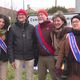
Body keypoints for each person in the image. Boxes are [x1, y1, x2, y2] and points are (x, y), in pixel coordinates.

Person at [8, 9, 37, 80]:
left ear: (26, 16)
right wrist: (11, 60)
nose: (21, 16)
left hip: (30, 57)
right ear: (17, 16)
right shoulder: (12, 28)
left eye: (22, 15)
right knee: (17, 77)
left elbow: (35, 43)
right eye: (19, 15)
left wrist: (35, 57)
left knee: (30, 77)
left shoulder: (32, 28)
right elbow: (10, 45)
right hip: (17, 57)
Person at [55, 14, 80, 80]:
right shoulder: (68, 36)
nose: (74, 23)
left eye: (77, 21)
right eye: (73, 22)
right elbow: (61, 52)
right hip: (70, 68)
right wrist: (58, 66)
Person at [35, 9, 55, 80]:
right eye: (38, 15)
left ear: (46, 16)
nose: (40, 16)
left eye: (42, 15)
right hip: (41, 57)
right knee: (41, 77)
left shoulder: (52, 25)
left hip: (51, 57)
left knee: (54, 76)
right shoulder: (36, 28)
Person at [51, 11, 68, 80]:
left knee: (64, 77)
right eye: (54, 21)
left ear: (63, 21)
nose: (56, 23)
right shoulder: (53, 32)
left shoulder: (67, 31)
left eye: (58, 21)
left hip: (65, 60)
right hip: (56, 58)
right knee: (58, 77)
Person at [0, 14, 10, 80]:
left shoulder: (7, 32)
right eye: (0, 21)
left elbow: (10, 45)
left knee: (3, 78)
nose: (1, 23)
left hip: (4, 59)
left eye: (3, 22)